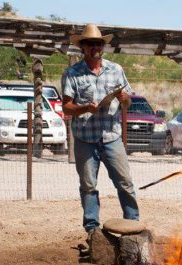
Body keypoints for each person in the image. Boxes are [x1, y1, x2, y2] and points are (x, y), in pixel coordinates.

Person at [61, 24, 139, 236]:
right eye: (91, 43)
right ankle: (92, 231)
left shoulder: (116, 70)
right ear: (83, 48)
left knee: (125, 183)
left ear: (103, 46)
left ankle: (132, 225)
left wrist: (125, 99)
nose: (96, 46)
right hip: (86, 139)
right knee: (88, 186)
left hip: (112, 137)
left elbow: (127, 103)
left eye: (99, 43)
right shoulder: (72, 74)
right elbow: (66, 107)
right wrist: (86, 108)